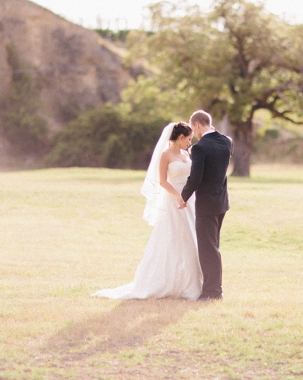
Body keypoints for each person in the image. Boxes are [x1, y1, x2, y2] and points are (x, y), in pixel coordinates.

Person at [93, 122, 203, 300]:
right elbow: (163, 182)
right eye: (188, 139)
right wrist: (178, 196)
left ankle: (190, 283)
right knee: (173, 238)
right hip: (174, 201)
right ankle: (162, 281)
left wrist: (189, 194)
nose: (190, 143)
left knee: (190, 238)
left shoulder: (186, 153)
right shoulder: (165, 155)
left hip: (190, 201)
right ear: (181, 137)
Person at [180, 110, 233, 301]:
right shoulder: (227, 141)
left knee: (208, 249)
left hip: (206, 205)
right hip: (221, 203)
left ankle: (213, 292)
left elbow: (195, 178)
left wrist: (183, 197)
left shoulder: (200, 147)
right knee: (213, 247)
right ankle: (213, 289)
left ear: (196, 125)